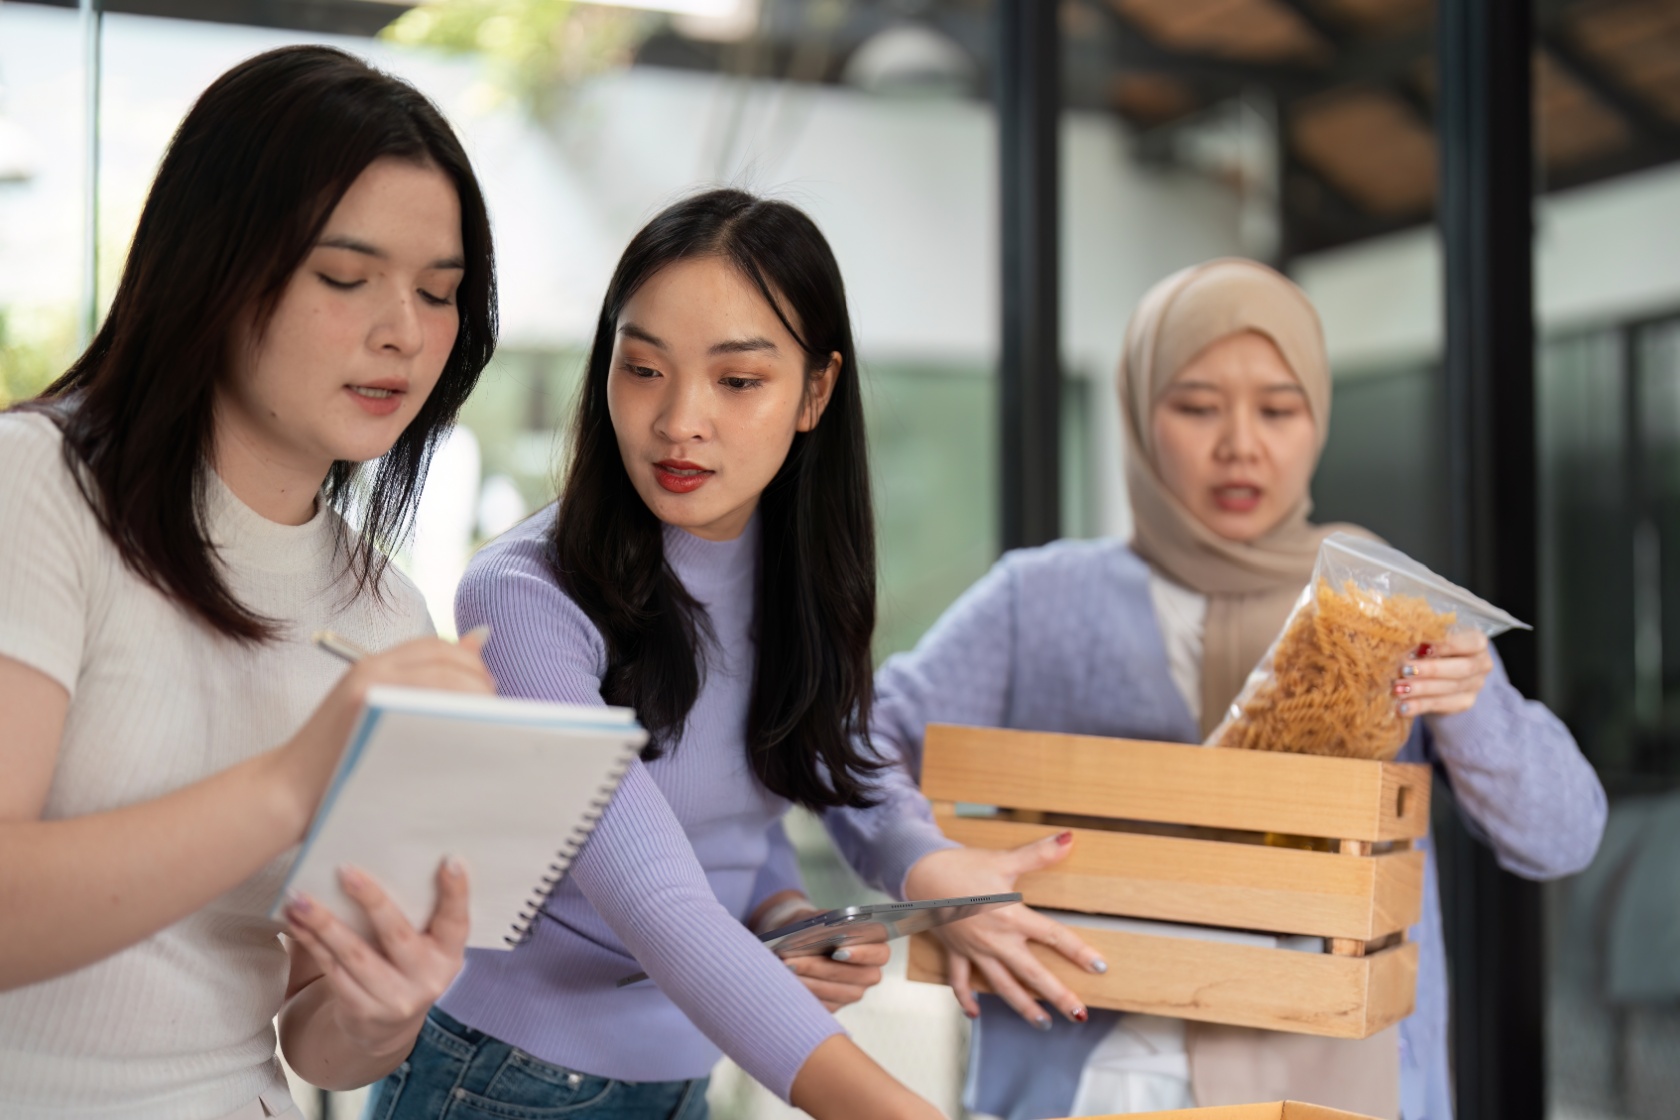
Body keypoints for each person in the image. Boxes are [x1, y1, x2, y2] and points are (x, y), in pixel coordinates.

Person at [373, 188, 1105, 1120]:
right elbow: (656, 898)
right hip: (503, 1081)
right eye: (643, 369)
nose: (680, 420)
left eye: (737, 380)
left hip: (682, 1077)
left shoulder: (794, 570)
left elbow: (774, 794)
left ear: (816, 391)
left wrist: (803, 911)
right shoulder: (523, 596)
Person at [847, 259, 1608, 1120]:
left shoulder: (1383, 608)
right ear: (1139, 415)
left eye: (1279, 410)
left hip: (1338, 1086)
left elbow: (1563, 835)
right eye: (1197, 406)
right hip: (1094, 1081)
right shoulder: (1040, 602)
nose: (1240, 443)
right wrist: (930, 871)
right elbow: (849, 748)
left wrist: (1477, 706)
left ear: (1317, 418)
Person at [0, 45, 501, 1119]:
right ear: (217, 265)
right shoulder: (36, 485)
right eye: (345, 277)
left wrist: (381, 1008)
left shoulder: (385, 610)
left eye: (439, 292)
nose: (403, 332)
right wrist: (292, 777)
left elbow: (314, 1022)